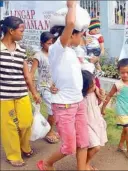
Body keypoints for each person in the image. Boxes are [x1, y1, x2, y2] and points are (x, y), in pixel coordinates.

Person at [36, 1, 89, 170]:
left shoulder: (71, 53)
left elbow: (66, 75)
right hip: (64, 106)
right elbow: (71, 23)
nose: (82, 37)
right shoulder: (56, 49)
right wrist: (72, 6)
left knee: (83, 141)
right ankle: (46, 163)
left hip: (78, 102)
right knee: (69, 147)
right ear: (71, 35)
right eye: (81, 34)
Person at [0, 16, 41, 167]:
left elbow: (27, 75)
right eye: (21, 31)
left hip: (22, 94)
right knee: (9, 126)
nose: (23, 33)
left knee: (25, 123)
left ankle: (24, 146)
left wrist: (34, 93)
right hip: (4, 97)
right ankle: (13, 155)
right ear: (11, 31)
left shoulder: (21, 50)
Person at [30, 31, 60, 144]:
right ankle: (49, 132)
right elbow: (31, 73)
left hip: (54, 87)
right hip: (43, 87)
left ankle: (48, 129)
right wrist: (33, 91)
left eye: (52, 43)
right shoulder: (38, 56)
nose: (51, 46)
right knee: (52, 110)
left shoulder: (54, 54)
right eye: (48, 43)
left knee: (56, 109)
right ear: (42, 43)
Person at [82, 70, 108, 170]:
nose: (95, 86)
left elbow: (97, 104)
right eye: (92, 85)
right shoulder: (80, 97)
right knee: (96, 146)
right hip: (86, 125)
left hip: (95, 122)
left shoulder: (93, 92)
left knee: (94, 146)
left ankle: (85, 164)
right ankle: (84, 164)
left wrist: (101, 95)